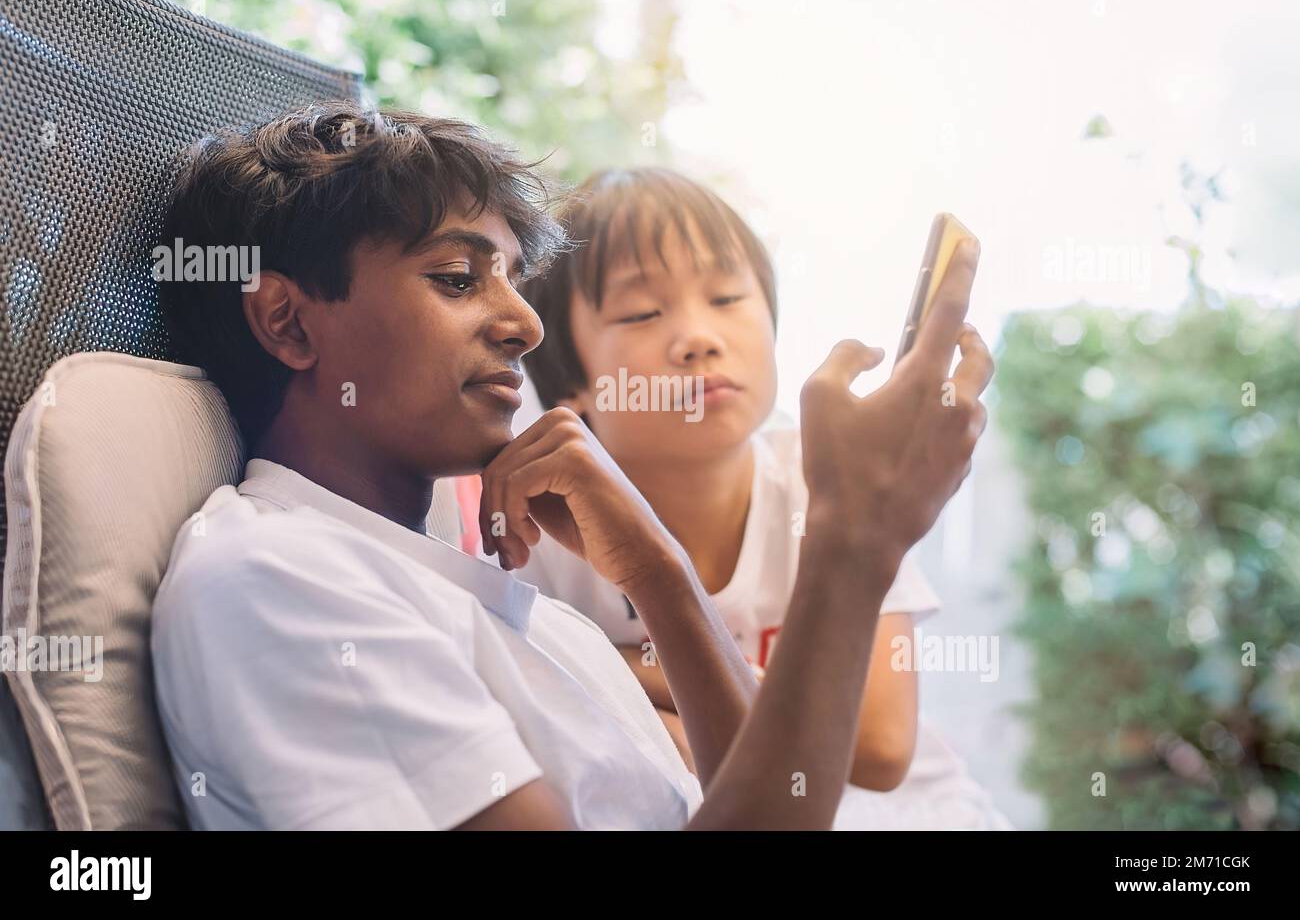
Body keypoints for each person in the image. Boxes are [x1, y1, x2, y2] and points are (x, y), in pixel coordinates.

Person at [150, 103, 993, 829]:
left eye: (514, 280)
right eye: (456, 277)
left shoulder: (473, 586)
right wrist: (855, 544)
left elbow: (776, 796)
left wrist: (657, 570)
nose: (525, 325)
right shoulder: (277, 579)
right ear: (290, 326)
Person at [513, 168, 1009, 829]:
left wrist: (636, 672)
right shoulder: (543, 534)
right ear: (569, 383)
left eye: (726, 297)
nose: (699, 336)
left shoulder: (829, 477)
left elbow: (884, 746)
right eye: (642, 311)